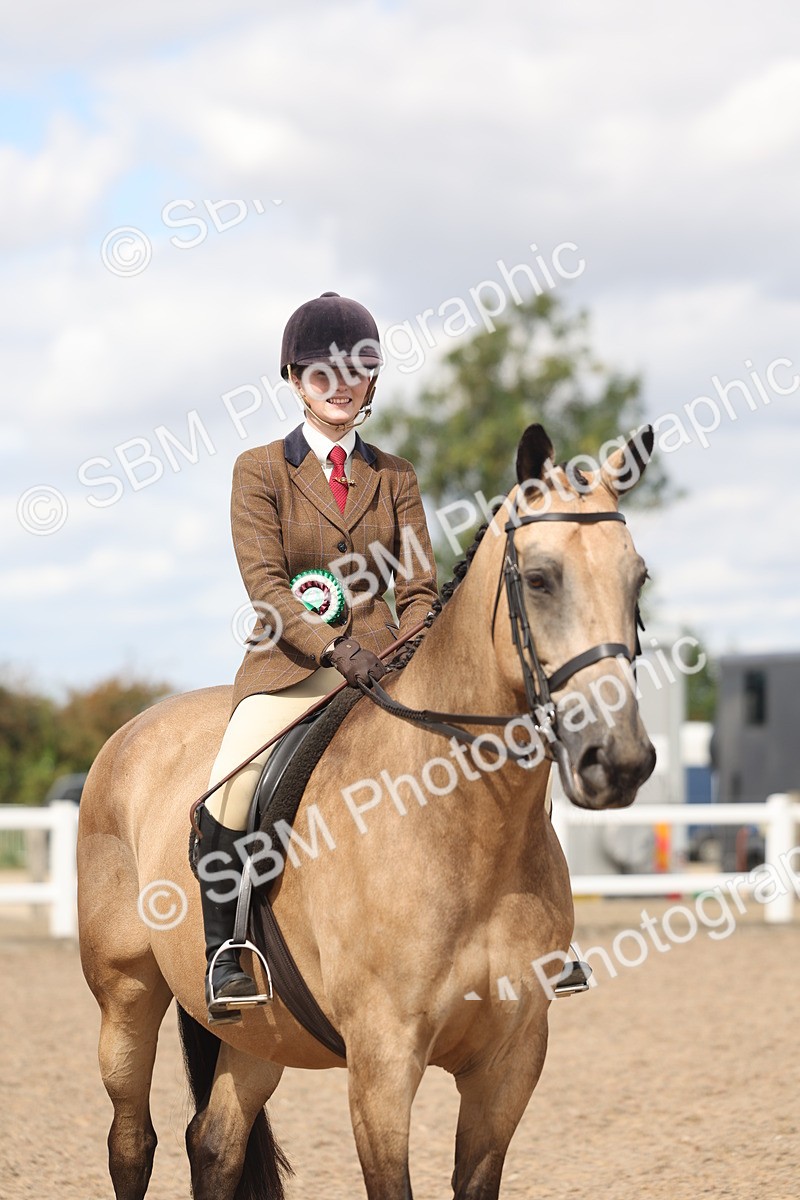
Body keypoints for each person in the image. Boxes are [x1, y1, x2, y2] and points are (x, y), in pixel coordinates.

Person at [196, 292, 439, 1021]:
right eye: (321, 374)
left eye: (355, 371)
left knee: (494, 750)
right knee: (227, 791)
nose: (339, 386)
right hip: (292, 671)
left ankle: (532, 930)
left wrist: (405, 650)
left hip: (387, 668)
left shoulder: (396, 477)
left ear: (372, 380)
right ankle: (228, 948)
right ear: (296, 380)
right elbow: (268, 588)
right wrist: (334, 647)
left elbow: (421, 584)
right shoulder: (260, 471)